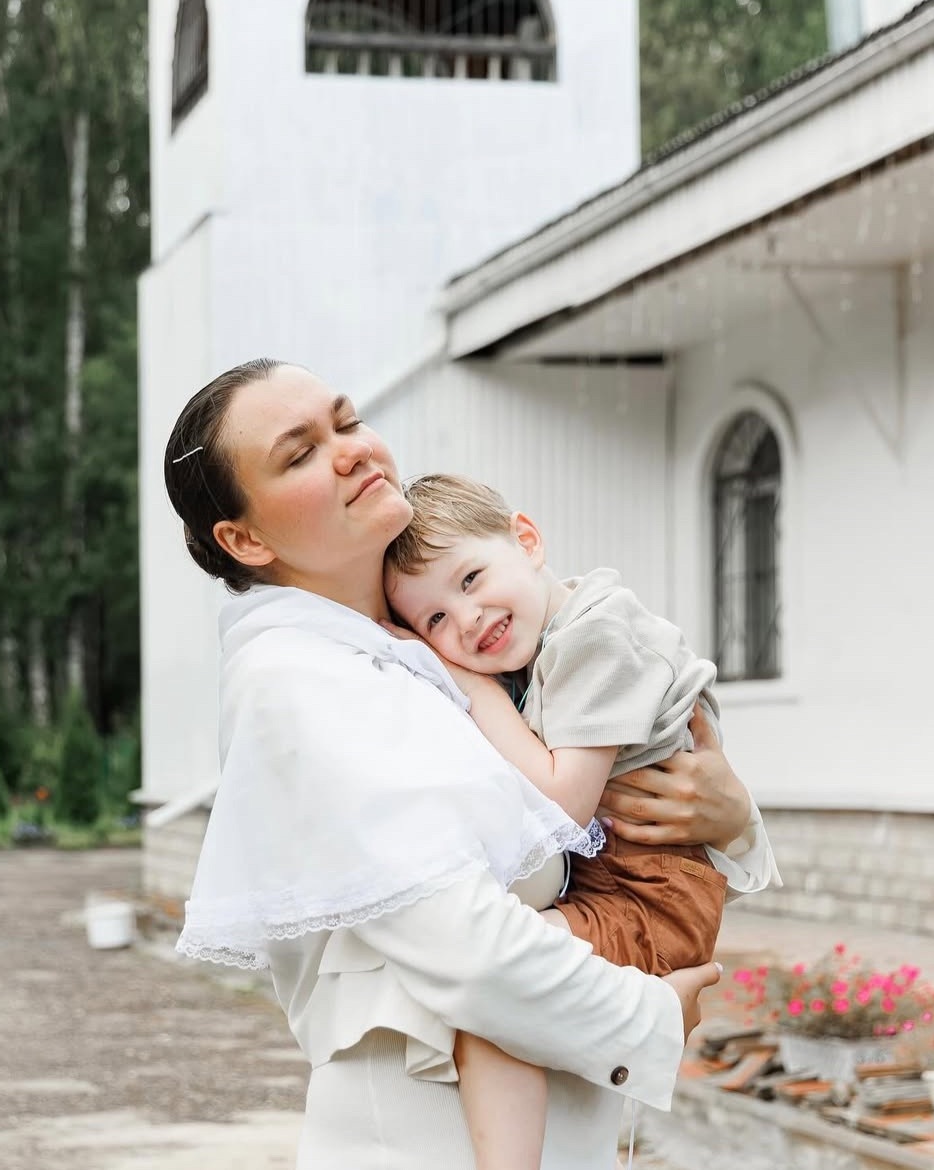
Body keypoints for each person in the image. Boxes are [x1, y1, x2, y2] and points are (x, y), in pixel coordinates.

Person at [163, 358, 779, 1170]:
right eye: (300, 452)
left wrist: (730, 818)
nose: (348, 451)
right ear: (246, 539)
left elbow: (622, 773)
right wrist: (646, 1015)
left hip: (546, 1113)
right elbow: (458, 940)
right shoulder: (296, 677)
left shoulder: (438, 639)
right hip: (423, 1134)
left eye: (346, 422)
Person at [385, 472, 768, 1170]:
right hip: (619, 881)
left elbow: (563, 806)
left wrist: (473, 692)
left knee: (500, 982)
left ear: (526, 540)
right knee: (497, 992)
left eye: (470, 578)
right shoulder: (539, 644)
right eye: (434, 620)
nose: (466, 620)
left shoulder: (594, 634)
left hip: (651, 896)